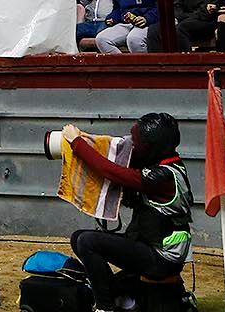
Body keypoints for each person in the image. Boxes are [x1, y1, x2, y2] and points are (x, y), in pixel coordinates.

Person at [64, 113, 193, 312]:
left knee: (87, 241)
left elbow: (113, 172)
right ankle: (122, 299)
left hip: (162, 259)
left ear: (151, 147)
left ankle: (105, 307)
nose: (131, 144)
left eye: (136, 142)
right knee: (79, 237)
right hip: (150, 247)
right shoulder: (165, 164)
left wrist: (77, 143)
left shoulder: (163, 176)